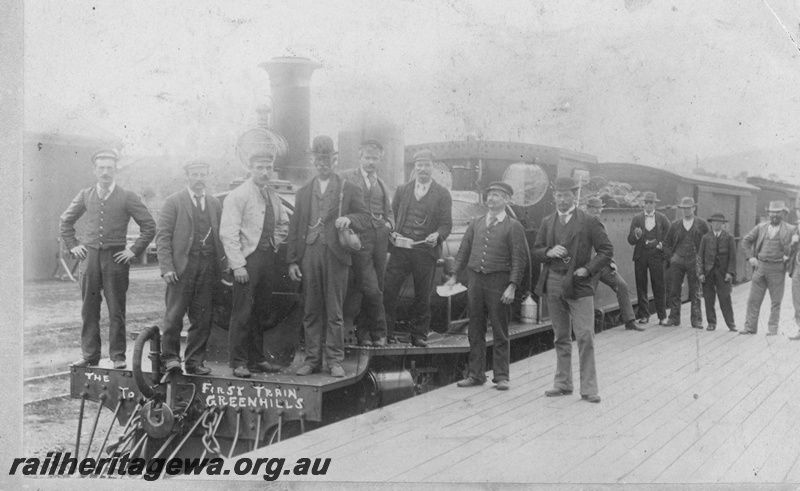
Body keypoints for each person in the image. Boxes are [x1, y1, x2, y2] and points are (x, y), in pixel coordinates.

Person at [60, 149, 156, 369]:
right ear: (94, 170)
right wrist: (73, 246)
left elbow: (149, 226)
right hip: (90, 259)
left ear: (116, 171)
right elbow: (65, 221)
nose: (105, 172)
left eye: (109, 168)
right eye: (101, 168)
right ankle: (90, 355)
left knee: (116, 310)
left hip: (116, 260)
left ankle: (118, 356)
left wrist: (133, 250)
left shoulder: (127, 196)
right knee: (89, 309)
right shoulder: (85, 195)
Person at [287, 135, 370, 377]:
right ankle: (312, 360)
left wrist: (349, 219)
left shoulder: (348, 188)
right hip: (309, 254)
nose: (323, 164)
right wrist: (292, 260)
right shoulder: (304, 192)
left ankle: (334, 361)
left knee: (335, 311)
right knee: (311, 309)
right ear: (312, 160)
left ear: (334, 160)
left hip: (336, 255)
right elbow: (295, 228)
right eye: (318, 160)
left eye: (327, 159)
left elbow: (365, 218)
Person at [532, 176, 613, 404]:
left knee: (585, 335)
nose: (562, 199)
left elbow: (606, 250)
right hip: (553, 282)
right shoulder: (548, 221)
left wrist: (588, 269)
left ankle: (589, 388)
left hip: (579, 284)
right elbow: (536, 250)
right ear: (554, 196)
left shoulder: (588, 221)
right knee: (560, 336)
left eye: (566, 195)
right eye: (558, 195)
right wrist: (548, 252)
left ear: (574, 196)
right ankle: (563, 383)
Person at [446, 182, 527, 391]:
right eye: (489, 195)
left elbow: (519, 260)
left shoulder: (513, 226)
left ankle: (501, 376)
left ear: (507, 200)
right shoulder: (476, 222)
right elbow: (463, 251)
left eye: (497, 195)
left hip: (498, 282)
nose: (491, 199)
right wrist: (454, 275)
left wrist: (512, 286)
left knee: (500, 329)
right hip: (475, 281)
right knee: (475, 328)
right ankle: (476, 374)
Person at [220, 137, 290, 378]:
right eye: (260, 168)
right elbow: (228, 233)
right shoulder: (238, 196)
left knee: (261, 311)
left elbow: (283, 223)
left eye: (268, 168)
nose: (265, 172)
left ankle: (256, 359)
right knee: (242, 313)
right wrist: (238, 265)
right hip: (247, 262)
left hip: (267, 259)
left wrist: (273, 242)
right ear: (250, 169)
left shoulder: (272, 195)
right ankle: (238, 362)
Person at [155, 161, 226, 375]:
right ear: (187, 176)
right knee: (174, 315)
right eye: (194, 174)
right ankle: (170, 359)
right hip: (181, 268)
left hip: (207, 266)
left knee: (202, 317)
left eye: (203, 174)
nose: (199, 179)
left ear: (208, 176)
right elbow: (163, 236)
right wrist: (167, 267)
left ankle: (194, 362)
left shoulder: (214, 203)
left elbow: (221, 236)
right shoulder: (173, 202)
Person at [383, 149, 453, 347]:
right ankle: (386, 332)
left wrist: (436, 235)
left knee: (423, 295)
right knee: (389, 290)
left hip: (425, 252)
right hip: (401, 250)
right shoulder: (402, 190)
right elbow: (391, 215)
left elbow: (446, 224)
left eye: (426, 165)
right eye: (419, 165)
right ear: (415, 167)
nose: (423, 169)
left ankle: (418, 335)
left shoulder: (442, 194)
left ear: (433, 167)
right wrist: (392, 233)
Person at [340, 140, 394, 348]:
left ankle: (364, 333)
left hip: (380, 237)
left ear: (380, 160)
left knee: (377, 285)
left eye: (375, 158)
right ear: (360, 157)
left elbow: (389, 210)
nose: (371, 162)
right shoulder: (347, 177)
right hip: (359, 236)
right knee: (370, 287)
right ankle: (380, 331)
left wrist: (389, 224)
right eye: (367, 158)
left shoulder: (381, 183)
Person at [739, 201, 797, 336]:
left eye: (778, 212)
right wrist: (750, 257)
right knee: (753, 300)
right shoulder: (761, 227)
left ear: (783, 213)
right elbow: (746, 241)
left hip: (777, 269)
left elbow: (796, 247)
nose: (774, 215)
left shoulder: (791, 229)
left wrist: (789, 256)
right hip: (760, 267)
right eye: (772, 212)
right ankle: (750, 327)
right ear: (769, 213)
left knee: (776, 301)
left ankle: (772, 329)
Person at [585, 197, 642, 332]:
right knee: (588, 295)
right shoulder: (581, 225)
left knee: (622, 286)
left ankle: (630, 321)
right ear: (588, 209)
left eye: (600, 209)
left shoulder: (602, 226)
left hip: (603, 266)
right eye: (595, 209)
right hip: (590, 267)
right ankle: (587, 329)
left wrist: (612, 262)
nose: (598, 212)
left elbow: (607, 247)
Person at [662, 197, 709, 328]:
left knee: (695, 291)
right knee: (674, 290)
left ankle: (696, 320)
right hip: (678, 260)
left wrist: (702, 260)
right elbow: (666, 243)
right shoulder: (675, 225)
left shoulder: (702, 224)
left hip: (695, 261)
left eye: (688, 208)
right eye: (684, 208)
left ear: (694, 208)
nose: (686, 210)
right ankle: (674, 318)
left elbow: (709, 243)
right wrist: (672, 257)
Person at [627, 191, 671, 325]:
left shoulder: (662, 218)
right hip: (641, 255)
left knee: (659, 285)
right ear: (643, 204)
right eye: (646, 202)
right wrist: (637, 236)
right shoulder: (637, 218)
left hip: (657, 255)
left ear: (655, 204)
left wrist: (661, 245)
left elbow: (670, 236)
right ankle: (644, 315)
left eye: (651, 202)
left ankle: (662, 316)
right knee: (641, 285)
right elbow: (630, 240)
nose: (648, 205)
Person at [697, 212, 738, 332]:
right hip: (708, 272)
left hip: (723, 273)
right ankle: (711, 323)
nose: (716, 224)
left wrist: (730, 272)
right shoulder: (706, 238)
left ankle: (731, 324)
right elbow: (700, 257)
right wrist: (700, 273)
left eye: (719, 222)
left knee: (725, 298)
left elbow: (733, 257)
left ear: (723, 224)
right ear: (711, 223)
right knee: (708, 298)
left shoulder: (729, 237)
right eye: (714, 222)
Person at [789, 197, 800, 341]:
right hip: (798, 266)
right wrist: (793, 243)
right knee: (797, 298)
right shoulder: (797, 227)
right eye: (798, 210)